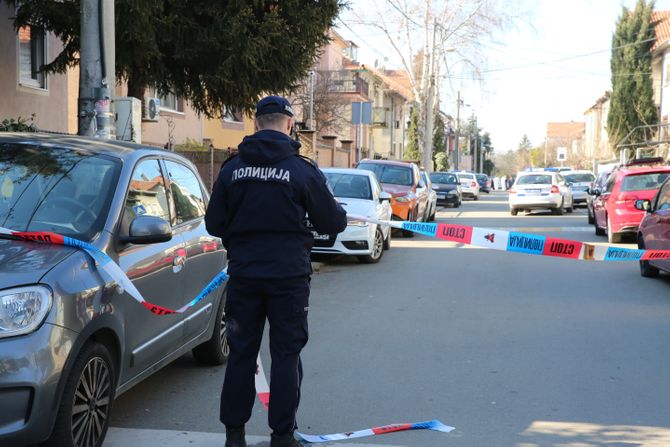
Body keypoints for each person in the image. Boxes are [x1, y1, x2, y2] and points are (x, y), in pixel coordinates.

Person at [205, 95, 347, 447]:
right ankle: (282, 436)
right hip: (288, 278)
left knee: (241, 353)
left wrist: (244, 234)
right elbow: (332, 222)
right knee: (285, 355)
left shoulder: (232, 169)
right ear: (288, 124)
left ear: (255, 124)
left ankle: (234, 436)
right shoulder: (301, 169)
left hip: (245, 276)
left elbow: (213, 223)